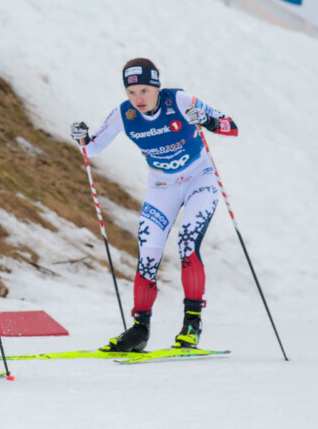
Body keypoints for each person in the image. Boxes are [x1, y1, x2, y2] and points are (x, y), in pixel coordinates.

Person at [70, 58, 238, 351]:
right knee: (148, 255)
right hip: (162, 186)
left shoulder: (181, 100)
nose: (138, 99)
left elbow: (231, 127)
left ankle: (191, 325)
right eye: (132, 92)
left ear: (157, 87)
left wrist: (208, 121)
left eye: (145, 91)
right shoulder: (125, 114)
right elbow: (93, 147)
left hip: (199, 178)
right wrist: (82, 137)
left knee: (187, 244)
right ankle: (139, 330)